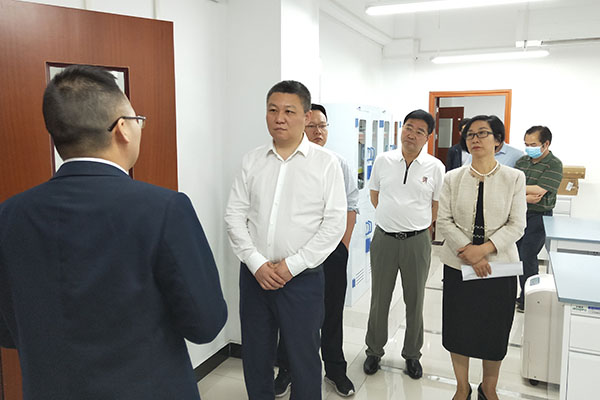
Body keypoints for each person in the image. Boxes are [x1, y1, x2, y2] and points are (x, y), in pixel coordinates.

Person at [0, 65, 227, 400]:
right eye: (137, 120)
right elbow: (205, 323)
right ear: (122, 128)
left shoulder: (10, 214)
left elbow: (7, 331)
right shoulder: (165, 208)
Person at [224, 81, 347, 400]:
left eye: (289, 111)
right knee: (256, 355)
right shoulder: (252, 160)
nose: (279, 118)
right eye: (273, 110)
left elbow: (334, 224)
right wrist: (256, 263)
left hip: (302, 279)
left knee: (304, 359)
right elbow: (234, 215)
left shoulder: (325, 163)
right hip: (255, 277)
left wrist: (293, 265)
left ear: (306, 116)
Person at [437, 115, 526, 400]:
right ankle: (461, 387)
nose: (475, 139)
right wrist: (470, 252)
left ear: (498, 140)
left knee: (495, 329)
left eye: (483, 133)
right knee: (458, 328)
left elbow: (517, 224)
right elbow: (444, 220)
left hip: (500, 267)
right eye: (470, 134)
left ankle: (489, 387)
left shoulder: (514, 178)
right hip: (458, 264)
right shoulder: (452, 178)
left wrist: (484, 249)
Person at [273, 103, 359, 397]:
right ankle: (286, 369)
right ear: (301, 126)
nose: (318, 131)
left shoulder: (339, 163)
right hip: (296, 253)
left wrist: (342, 247)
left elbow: (351, 207)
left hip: (331, 253)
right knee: (291, 313)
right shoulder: (287, 163)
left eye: (322, 126)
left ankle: (335, 370)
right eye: (312, 126)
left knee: (331, 311)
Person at [363, 109, 445, 379]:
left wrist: (415, 223)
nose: (412, 134)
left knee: (415, 299)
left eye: (419, 131)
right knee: (379, 298)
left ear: (427, 137)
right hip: (384, 239)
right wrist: (392, 218)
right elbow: (375, 195)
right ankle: (374, 351)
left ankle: (412, 354)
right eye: (408, 127)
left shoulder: (435, 167)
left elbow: (436, 205)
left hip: (417, 242)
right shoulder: (383, 160)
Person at [514, 126, 562, 312]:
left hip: (539, 216)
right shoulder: (522, 161)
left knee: (527, 255)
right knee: (515, 256)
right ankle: (520, 294)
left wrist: (520, 189)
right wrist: (525, 194)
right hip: (518, 213)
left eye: (533, 145)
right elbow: (511, 185)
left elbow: (540, 190)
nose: (529, 148)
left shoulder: (554, 164)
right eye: (526, 144)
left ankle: (529, 299)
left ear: (546, 144)